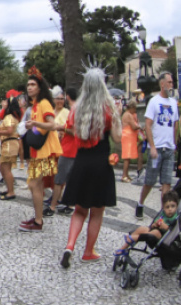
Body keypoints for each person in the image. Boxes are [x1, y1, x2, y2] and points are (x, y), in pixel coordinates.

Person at [58, 68, 121, 267]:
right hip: (100, 163)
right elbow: (117, 138)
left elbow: (74, 132)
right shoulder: (108, 109)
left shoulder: (77, 109)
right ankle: (88, 251)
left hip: (81, 162)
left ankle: (69, 246)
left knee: (79, 209)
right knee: (97, 211)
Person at [18, 69, 62, 232]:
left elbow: (52, 124)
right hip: (39, 150)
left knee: (34, 184)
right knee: (35, 185)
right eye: (28, 85)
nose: (29, 88)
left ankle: (38, 221)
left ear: (39, 87)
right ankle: (37, 219)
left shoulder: (44, 103)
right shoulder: (36, 105)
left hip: (45, 151)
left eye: (33, 85)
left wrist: (34, 124)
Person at [136, 72, 178, 220]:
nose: (171, 84)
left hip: (169, 148)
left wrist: (174, 142)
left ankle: (164, 212)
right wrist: (152, 146)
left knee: (166, 182)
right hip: (157, 148)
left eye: (172, 82)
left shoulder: (173, 102)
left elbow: (175, 124)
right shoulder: (154, 102)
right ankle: (140, 203)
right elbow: (148, 125)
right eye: (169, 82)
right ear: (162, 84)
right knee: (149, 181)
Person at [114, 191, 179, 256]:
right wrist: (155, 224)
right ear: (163, 208)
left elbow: (173, 230)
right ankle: (124, 247)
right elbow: (154, 224)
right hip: (154, 230)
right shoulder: (163, 214)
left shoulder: (175, 217)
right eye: (167, 207)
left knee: (155, 232)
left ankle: (134, 238)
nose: (170, 209)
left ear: (176, 206)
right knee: (142, 228)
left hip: (163, 236)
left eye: (173, 206)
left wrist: (165, 227)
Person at [47, 87, 78, 216]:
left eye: (62, 97)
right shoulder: (76, 109)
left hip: (68, 148)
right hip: (68, 147)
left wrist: (61, 127)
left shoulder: (73, 111)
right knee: (69, 178)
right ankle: (69, 204)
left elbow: (73, 131)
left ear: (67, 97)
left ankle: (53, 206)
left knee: (59, 178)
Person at [120, 98, 141, 182]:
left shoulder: (126, 114)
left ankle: (126, 174)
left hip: (128, 136)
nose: (135, 110)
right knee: (127, 157)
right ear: (131, 107)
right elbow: (134, 126)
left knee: (128, 157)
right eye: (135, 108)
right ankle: (124, 175)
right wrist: (140, 126)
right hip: (128, 137)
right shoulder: (128, 115)